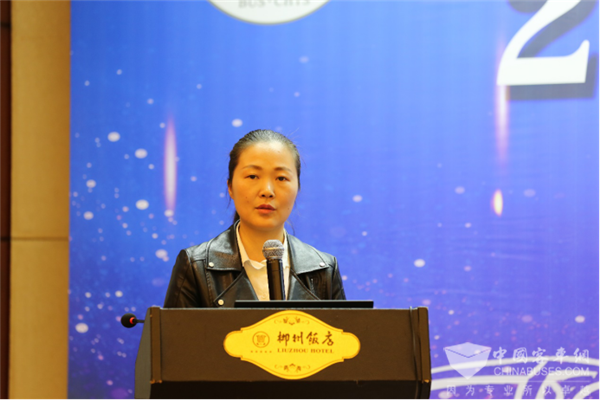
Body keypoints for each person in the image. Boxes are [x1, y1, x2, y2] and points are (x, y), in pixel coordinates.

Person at [164, 129, 346, 308]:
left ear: (297, 188)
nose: (267, 191)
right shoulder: (196, 266)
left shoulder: (324, 269)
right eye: (252, 176)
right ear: (230, 187)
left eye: (281, 178)